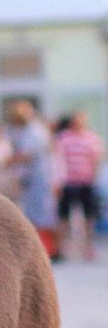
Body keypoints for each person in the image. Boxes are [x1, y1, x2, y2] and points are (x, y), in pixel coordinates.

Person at [6, 99, 57, 258]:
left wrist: (9, 160)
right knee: (35, 214)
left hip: (39, 180)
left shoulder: (34, 132)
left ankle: (48, 250)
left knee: (42, 215)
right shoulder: (27, 130)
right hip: (32, 180)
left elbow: (27, 155)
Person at [53, 110, 102, 260]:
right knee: (64, 217)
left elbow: (97, 159)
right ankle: (63, 248)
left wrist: (94, 178)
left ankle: (88, 248)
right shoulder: (63, 138)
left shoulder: (91, 138)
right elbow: (57, 160)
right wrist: (57, 181)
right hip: (67, 182)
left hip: (86, 182)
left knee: (88, 217)